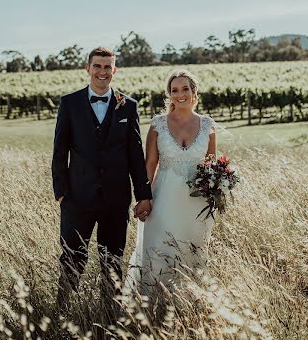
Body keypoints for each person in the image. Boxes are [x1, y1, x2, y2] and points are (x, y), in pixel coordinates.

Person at [52, 46, 152, 303]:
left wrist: (143, 195)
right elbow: (60, 151)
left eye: (107, 67)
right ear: (88, 69)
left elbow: (135, 154)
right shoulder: (70, 103)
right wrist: (61, 193)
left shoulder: (128, 106)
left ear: (114, 70)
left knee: (112, 262)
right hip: (77, 199)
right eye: (97, 66)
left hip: (116, 200)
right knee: (72, 260)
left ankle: (110, 319)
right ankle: (63, 317)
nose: (102, 71)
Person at [125, 70, 216, 296]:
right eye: (174, 90)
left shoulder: (208, 126)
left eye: (185, 89)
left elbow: (211, 166)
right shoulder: (158, 125)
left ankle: (189, 305)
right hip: (163, 201)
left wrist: (218, 188)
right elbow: (149, 167)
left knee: (192, 254)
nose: (180, 94)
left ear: (194, 92)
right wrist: (144, 198)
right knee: (159, 251)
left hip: (197, 207)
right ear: (169, 95)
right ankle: (151, 305)